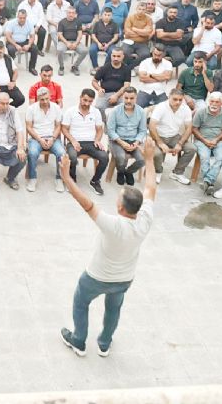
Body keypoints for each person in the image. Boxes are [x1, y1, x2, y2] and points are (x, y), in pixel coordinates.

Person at [60, 138, 157, 358]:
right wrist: (150, 160)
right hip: (124, 279)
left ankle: (78, 340)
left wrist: (66, 177)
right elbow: (151, 188)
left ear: (121, 208)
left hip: (96, 276)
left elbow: (86, 203)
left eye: (118, 198)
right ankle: (104, 344)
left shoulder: (112, 225)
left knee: (81, 302)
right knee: (114, 309)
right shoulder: (145, 219)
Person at [61, 89, 108, 196]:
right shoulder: (70, 111)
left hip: (91, 142)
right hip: (74, 142)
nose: (87, 103)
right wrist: (73, 141)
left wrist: (97, 140)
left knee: (104, 157)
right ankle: (72, 179)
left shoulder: (96, 112)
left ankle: (95, 181)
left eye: (90, 101)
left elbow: (99, 129)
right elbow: (64, 129)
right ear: (80, 97)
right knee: (72, 157)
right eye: (85, 100)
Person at [148, 89, 196, 185]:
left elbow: (189, 128)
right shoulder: (161, 107)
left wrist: (180, 143)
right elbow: (151, 126)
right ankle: (158, 171)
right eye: (175, 99)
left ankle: (177, 173)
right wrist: (160, 143)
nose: (178, 102)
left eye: (180, 100)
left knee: (192, 148)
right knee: (157, 153)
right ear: (169, 97)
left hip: (174, 136)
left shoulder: (185, 108)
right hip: (158, 135)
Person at [25, 87, 65, 193]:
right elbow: (29, 127)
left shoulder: (56, 107)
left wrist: (53, 138)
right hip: (36, 137)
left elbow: (58, 126)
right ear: (38, 98)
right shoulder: (31, 109)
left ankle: (59, 179)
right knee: (32, 153)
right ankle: (32, 178)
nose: (45, 101)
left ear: (50, 97)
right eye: (42, 99)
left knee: (61, 153)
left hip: (52, 137)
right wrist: (39, 139)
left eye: (47, 98)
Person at [107, 87, 147, 186]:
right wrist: (122, 143)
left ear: (136, 98)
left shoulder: (141, 111)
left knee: (143, 159)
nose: (128, 101)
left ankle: (128, 172)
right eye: (126, 98)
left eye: (131, 98)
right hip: (117, 140)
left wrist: (136, 143)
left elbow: (142, 131)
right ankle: (120, 172)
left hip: (134, 140)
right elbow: (110, 130)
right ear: (123, 98)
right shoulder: (115, 110)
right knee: (121, 157)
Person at [192, 92, 222, 193]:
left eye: (217, 102)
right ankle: (210, 183)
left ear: (221, 103)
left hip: (217, 140)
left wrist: (216, 140)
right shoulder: (201, 112)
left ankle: (207, 181)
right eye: (212, 101)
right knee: (205, 157)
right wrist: (205, 140)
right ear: (209, 101)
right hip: (201, 140)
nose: (214, 104)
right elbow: (194, 129)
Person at [92, 47, 131, 119]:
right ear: (111, 56)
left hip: (120, 94)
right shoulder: (104, 68)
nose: (116, 58)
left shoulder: (126, 69)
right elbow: (94, 81)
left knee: (127, 107)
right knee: (98, 107)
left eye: (118, 56)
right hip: (105, 93)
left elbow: (126, 86)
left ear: (123, 57)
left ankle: (119, 122)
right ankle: (104, 122)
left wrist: (116, 96)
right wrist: (99, 89)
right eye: (114, 56)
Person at [56, 7, 88, 76]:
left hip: (75, 41)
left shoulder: (78, 21)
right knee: (59, 49)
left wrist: (76, 43)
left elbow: (80, 34)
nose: (71, 14)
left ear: (75, 14)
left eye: (73, 13)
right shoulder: (61, 22)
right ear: (66, 13)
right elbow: (60, 35)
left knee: (85, 50)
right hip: (64, 41)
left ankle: (75, 66)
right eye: (69, 13)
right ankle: (61, 67)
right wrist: (67, 43)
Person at [122, 1, 153, 70]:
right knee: (124, 52)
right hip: (129, 41)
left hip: (142, 43)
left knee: (146, 54)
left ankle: (130, 67)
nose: (141, 11)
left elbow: (147, 33)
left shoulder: (149, 19)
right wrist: (142, 32)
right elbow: (128, 32)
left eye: (143, 9)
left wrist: (134, 29)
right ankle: (130, 67)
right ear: (136, 9)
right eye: (139, 9)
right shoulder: (130, 18)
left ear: (146, 10)